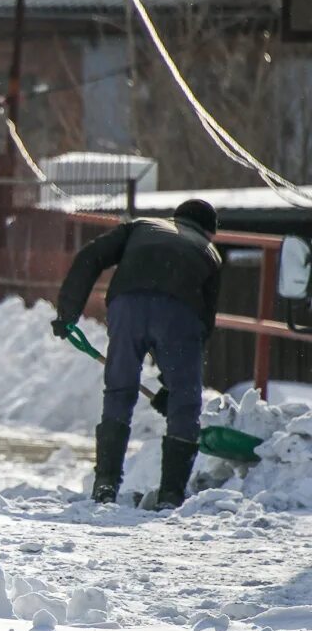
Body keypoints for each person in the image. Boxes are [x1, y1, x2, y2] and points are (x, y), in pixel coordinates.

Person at [52, 198, 222, 510]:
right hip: (180, 314)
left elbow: (91, 256)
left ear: (176, 216)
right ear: (210, 232)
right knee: (186, 404)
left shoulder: (141, 226)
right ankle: (171, 495)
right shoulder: (209, 253)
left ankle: (105, 484)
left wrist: (68, 312)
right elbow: (203, 326)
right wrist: (174, 389)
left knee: (119, 389)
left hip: (127, 305)